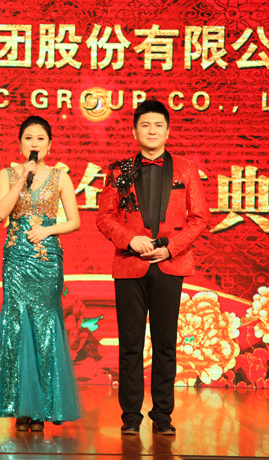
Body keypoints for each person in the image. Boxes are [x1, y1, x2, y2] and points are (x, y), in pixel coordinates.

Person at [96, 99, 209, 435]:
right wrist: (130, 239)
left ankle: (163, 415)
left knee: (165, 344)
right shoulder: (118, 170)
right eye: (145, 125)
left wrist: (170, 248)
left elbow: (199, 217)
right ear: (134, 132)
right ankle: (131, 415)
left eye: (158, 125)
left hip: (170, 263)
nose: (152, 131)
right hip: (130, 264)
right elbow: (104, 217)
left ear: (168, 131)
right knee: (130, 344)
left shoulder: (186, 169)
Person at [0, 116, 82, 432]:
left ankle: (43, 408)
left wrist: (48, 230)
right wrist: (21, 178)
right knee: (16, 324)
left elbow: (75, 221)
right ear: (20, 143)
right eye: (28, 138)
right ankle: (19, 407)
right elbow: (1, 211)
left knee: (44, 326)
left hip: (47, 259)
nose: (34, 143)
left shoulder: (61, 177)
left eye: (40, 138)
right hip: (16, 258)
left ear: (49, 145)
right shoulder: (7, 174)